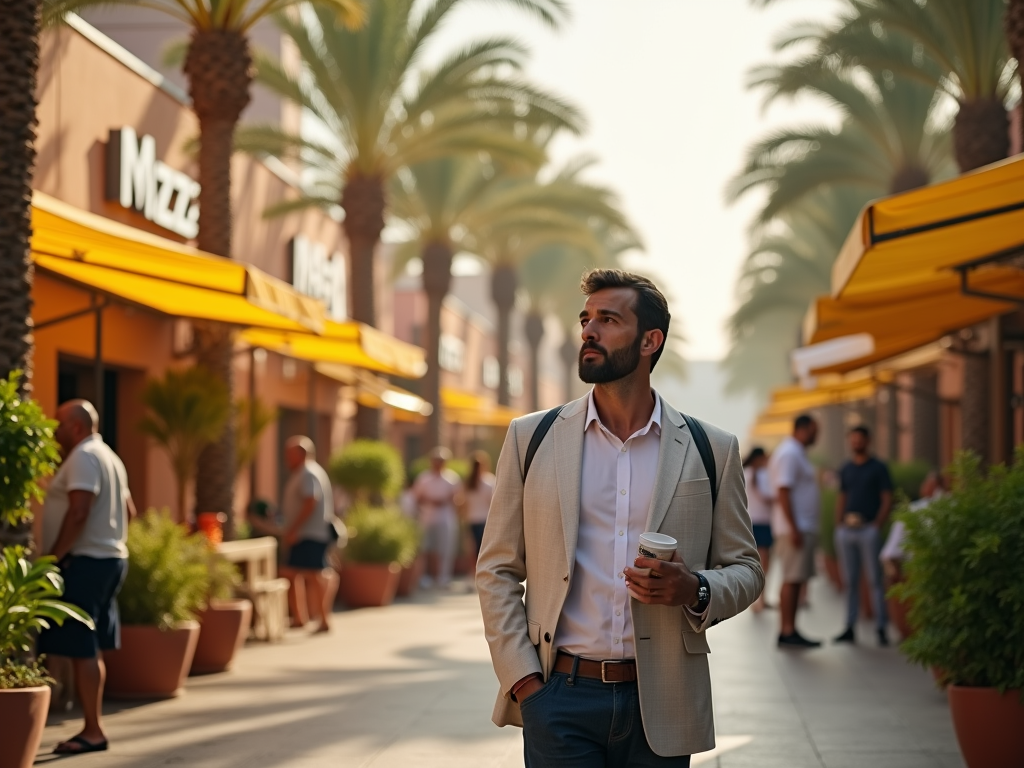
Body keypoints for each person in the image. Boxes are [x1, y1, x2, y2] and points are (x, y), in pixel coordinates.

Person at [477, 269, 763, 766]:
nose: (589, 330)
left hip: (662, 703)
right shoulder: (532, 438)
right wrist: (524, 682)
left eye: (608, 319)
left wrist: (693, 588)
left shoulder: (710, 449)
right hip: (559, 697)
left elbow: (747, 569)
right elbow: (497, 568)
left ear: (650, 340)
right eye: (586, 319)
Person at [38, 400, 136, 755]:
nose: (54, 429)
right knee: (89, 647)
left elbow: (79, 511)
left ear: (77, 427)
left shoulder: (82, 456)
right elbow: (130, 511)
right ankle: (89, 725)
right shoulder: (111, 457)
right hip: (109, 559)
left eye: (59, 424)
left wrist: (53, 558)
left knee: (82, 647)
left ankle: (92, 730)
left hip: (86, 561)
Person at [833, 426, 894, 646]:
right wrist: (838, 524)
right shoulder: (846, 468)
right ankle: (849, 627)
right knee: (849, 581)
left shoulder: (878, 468)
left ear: (868, 441)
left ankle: (881, 627)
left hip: (868, 529)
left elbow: (887, 497)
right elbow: (842, 496)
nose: (856, 443)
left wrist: (877, 524)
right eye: (853, 440)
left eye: (860, 440)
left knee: (874, 579)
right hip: (847, 530)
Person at [768, 414, 822, 649]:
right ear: (805, 428)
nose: (816, 435)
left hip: (800, 526)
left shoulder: (796, 452)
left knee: (797, 578)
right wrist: (794, 527)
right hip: (794, 528)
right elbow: (783, 491)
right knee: (791, 578)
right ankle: (786, 630)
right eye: (814, 430)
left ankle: (791, 628)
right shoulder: (789, 453)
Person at [279, 436, 338, 633]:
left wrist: (294, 528)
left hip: (308, 534)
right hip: (307, 533)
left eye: (290, 454)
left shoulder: (308, 473)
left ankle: (323, 619)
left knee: (314, 576)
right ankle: (300, 617)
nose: (287, 458)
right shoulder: (309, 471)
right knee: (291, 573)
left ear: (301, 454)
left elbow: (310, 501)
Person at [880, 471, 944, 583]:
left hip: (921, 561)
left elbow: (891, 552)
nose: (924, 486)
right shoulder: (917, 507)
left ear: (936, 487)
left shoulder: (915, 509)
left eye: (927, 483)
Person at [413, 447, 462, 589]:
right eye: (436, 460)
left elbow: (459, 499)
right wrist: (430, 501)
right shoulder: (424, 478)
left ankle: (443, 577)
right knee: (425, 548)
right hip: (427, 518)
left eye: (441, 461)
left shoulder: (452, 478)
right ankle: (424, 577)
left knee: (445, 548)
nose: (438, 463)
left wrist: (447, 501)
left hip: (446, 518)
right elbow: (416, 498)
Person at [743, 446, 774, 612]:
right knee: (765, 563)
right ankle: (761, 599)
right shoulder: (762, 474)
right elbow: (770, 496)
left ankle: (757, 599)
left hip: (750, 522)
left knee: (754, 563)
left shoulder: (744, 472)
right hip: (764, 522)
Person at [464, 450, 496, 557]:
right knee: (484, 548)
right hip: (485, 519)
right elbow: (493, 502)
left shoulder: (468, 483)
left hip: (472, 518)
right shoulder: (489, 481)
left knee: (475, 548)